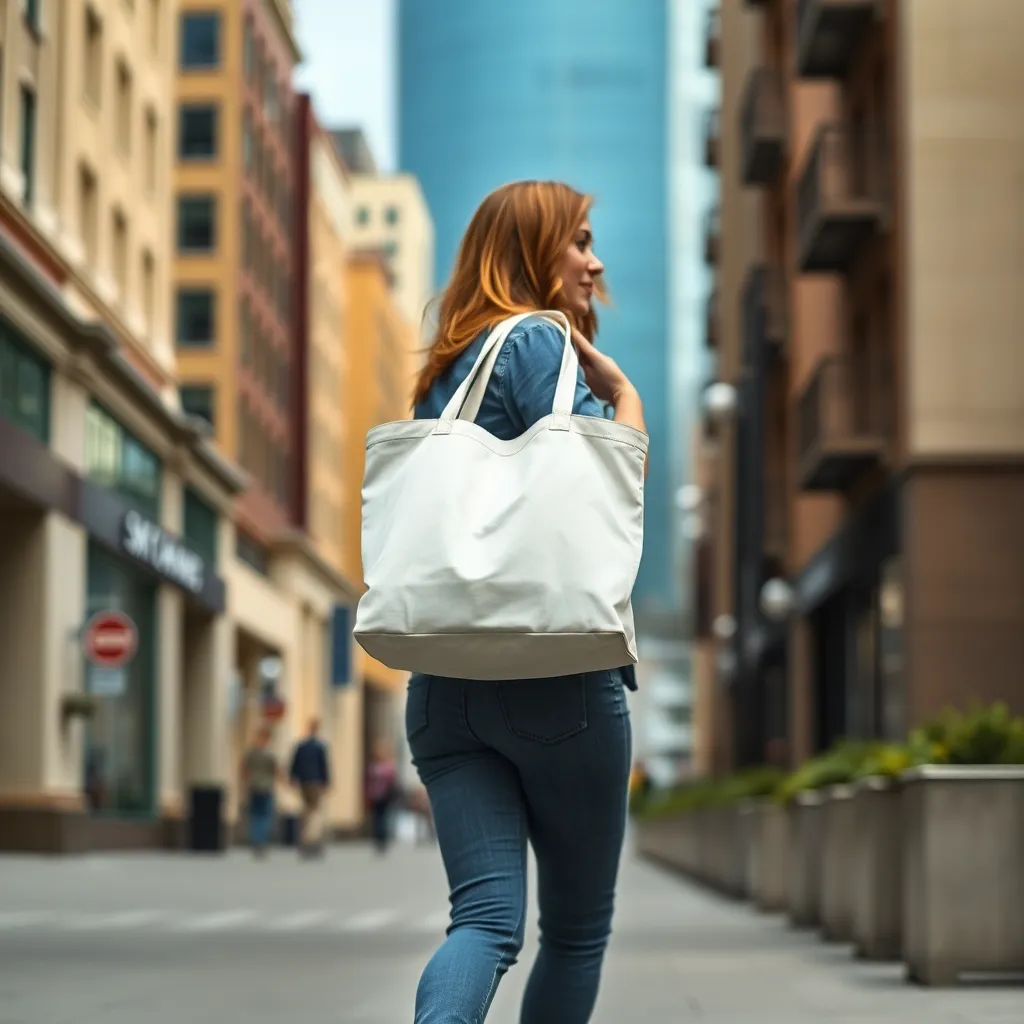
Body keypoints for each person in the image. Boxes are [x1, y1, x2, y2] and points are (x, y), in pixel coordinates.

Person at [406, 181, 646, 1024]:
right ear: (533, 250)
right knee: (576, 931)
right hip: (557, 678)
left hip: (442, 687)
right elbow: (603, 486)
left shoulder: (442, 372)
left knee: (483, 920)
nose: (595, 259)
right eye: (578, 240)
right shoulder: (542, 342)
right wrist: (623, 398)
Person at [289, 717, 331, 858]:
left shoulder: (301, 746)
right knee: (315, 810)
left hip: (303, 781)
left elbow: (294, 764)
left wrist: (293, 778)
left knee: (306, 809)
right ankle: (312, 838)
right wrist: (326, 782)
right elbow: (324, 766)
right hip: (315, 781)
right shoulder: (319, 747)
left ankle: (305, 837)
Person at [241, 724, 280, 857]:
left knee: (255, 815)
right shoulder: (269, 753)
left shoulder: (251, 752)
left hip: (254, 786)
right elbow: (276, 771)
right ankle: (260, 841)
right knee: (263, 816)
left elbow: (244, 769)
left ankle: (256, 840)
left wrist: (245, 783)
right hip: (266, 788)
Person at [365, 740, 399, 854]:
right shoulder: (384, 767)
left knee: (381, 818)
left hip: (383, 795)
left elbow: (392, 782)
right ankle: (379, 839)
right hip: (377, 795)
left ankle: (381, 839)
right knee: (378, 818)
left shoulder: (377, 767)